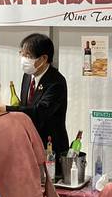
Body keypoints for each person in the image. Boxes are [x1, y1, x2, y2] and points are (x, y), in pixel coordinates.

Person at [6, 33, 68, 172]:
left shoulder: (56, 82)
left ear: (43, 58)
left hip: (50, 146)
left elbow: (39, 112)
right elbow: (25, 107)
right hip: (29, 144)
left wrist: (6, 109)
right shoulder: (28, 76)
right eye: (22, 54)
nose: (23, 59)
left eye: (28, 55)